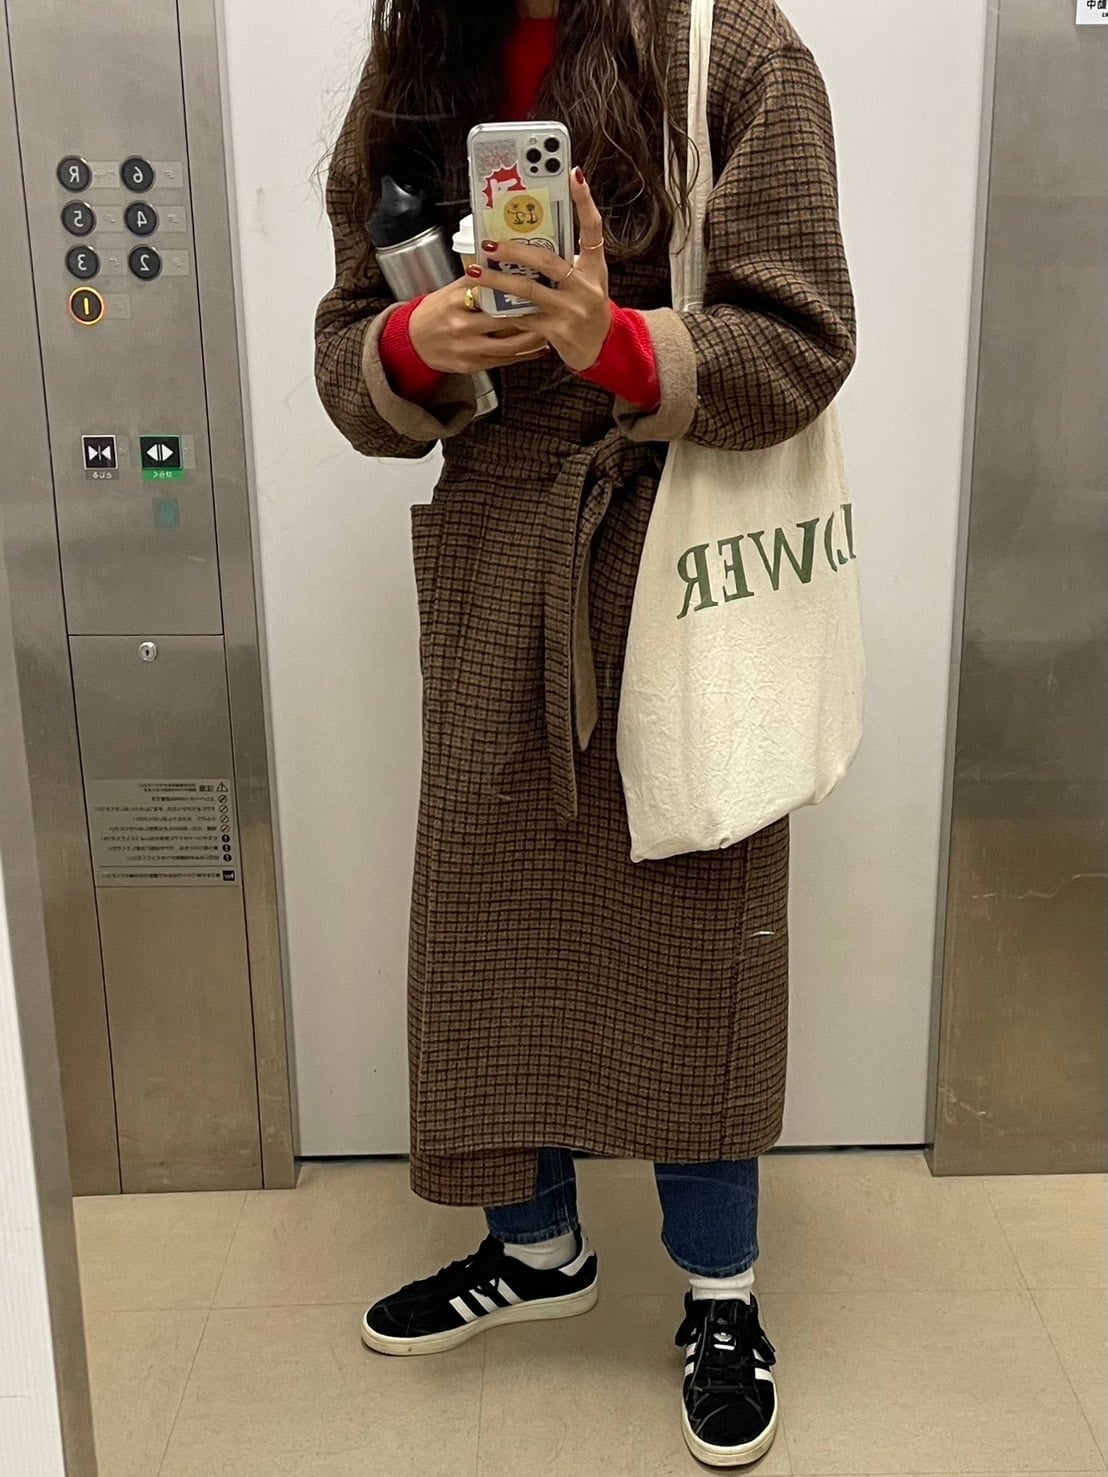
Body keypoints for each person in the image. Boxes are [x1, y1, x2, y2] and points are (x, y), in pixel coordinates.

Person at [315, 0, 855, 1465]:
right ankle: (536, 1247)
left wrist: (614, 340)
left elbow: (806, 336)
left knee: (696, 931)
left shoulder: (732, 51)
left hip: (675, 550)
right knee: (489, 929)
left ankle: (722, 1292)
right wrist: (417, 343)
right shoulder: (418, 60)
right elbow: (346, 351)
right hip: (501, 550)